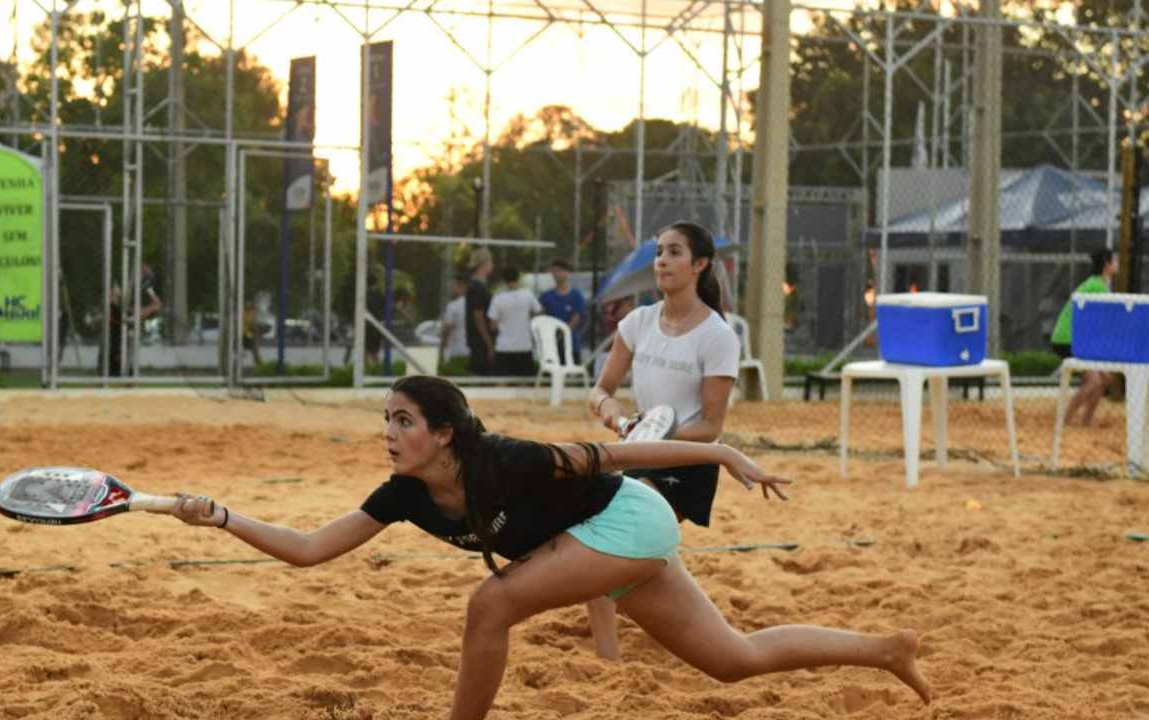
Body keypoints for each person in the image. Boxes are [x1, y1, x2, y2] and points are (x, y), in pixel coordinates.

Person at [169, 376, 931, 720]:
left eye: (403, 420)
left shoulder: (509, 458)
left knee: (490, 602)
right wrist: (223, 516)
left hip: (629, 522)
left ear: (442, 434)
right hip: (603, 542)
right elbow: (308, 549)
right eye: (386, 419)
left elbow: (622, 455)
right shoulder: (403, 494)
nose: (388, 433)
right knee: (733, 661)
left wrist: (725, 456)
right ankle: (884, 650)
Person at [585, 220, 741, 661]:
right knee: (606, 545)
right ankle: (606, 666)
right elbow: (599, 392)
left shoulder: (717, 336)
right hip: (636, 451)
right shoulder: (638, 321)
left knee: (606, 543)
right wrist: (613, 414)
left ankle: (609, 661)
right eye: (659, 252)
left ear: (700, 264)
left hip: (686, 462)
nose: (661, 261)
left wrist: (656, 433)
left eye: (674, 252)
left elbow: (711, 426)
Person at [1051, 248, 1119, 426]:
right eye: (1115, 260)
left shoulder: (1096, 284)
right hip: (1067, 340)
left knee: (1102, 379)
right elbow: (1103, 324)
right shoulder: (1096, 287)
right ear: (1107, 264)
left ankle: (1086, 421)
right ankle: (1064, 420)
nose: (1117, 263)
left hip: (1076, 339)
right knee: (1096, 381)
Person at [104, 265, 163, 377]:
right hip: (112, 358)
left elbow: (134, 312)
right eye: (114, 289)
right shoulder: (111, 308)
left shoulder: (118, 307)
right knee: (122, 377)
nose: (118, 290)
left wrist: (153, 306)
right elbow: (130, 317)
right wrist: (152, 307)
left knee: (131, 377)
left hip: (121, 356)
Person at [487, 265, 541, 376]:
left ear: (504, 280)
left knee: (502, 382)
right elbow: (539, 312)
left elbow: (492, 325)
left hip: (504, 347)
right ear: (518, 278)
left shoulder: (498, 298)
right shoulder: (528, 295)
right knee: (525, 383)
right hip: (524, 346)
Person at [538, 257, 585, 363]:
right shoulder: (546, 296)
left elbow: (576, 319)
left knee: (571, 378)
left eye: (559, 271)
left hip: (571, 346)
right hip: (550, 348)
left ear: (567, 272)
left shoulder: (576, 296)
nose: (556, 274)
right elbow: (541, 317)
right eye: (554, 271)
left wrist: (561, 334)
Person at [464, 248, 495, 375]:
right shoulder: (476, 287)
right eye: (491, 262)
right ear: (484, 264)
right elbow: (478, 316)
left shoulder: (477, 286)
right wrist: (488, 342)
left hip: (478, 340)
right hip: (479, 342)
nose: (492, 265)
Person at [440, 276, 470, 363]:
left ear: (462, 287)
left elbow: (447, 329)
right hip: (471, 350)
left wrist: (442, 349)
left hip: (456, 350)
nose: (451, 289)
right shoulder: (474, 304)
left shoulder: (453, 306)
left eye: (453, 286)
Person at [242, 300, 263, 368]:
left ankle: (258, 364)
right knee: (254, 348)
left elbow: (254, 325)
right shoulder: (243, 313)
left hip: (247, 334)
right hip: (243, 334)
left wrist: (255, 333)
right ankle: (258, 363)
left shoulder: (251, 314)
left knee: (254, 349)